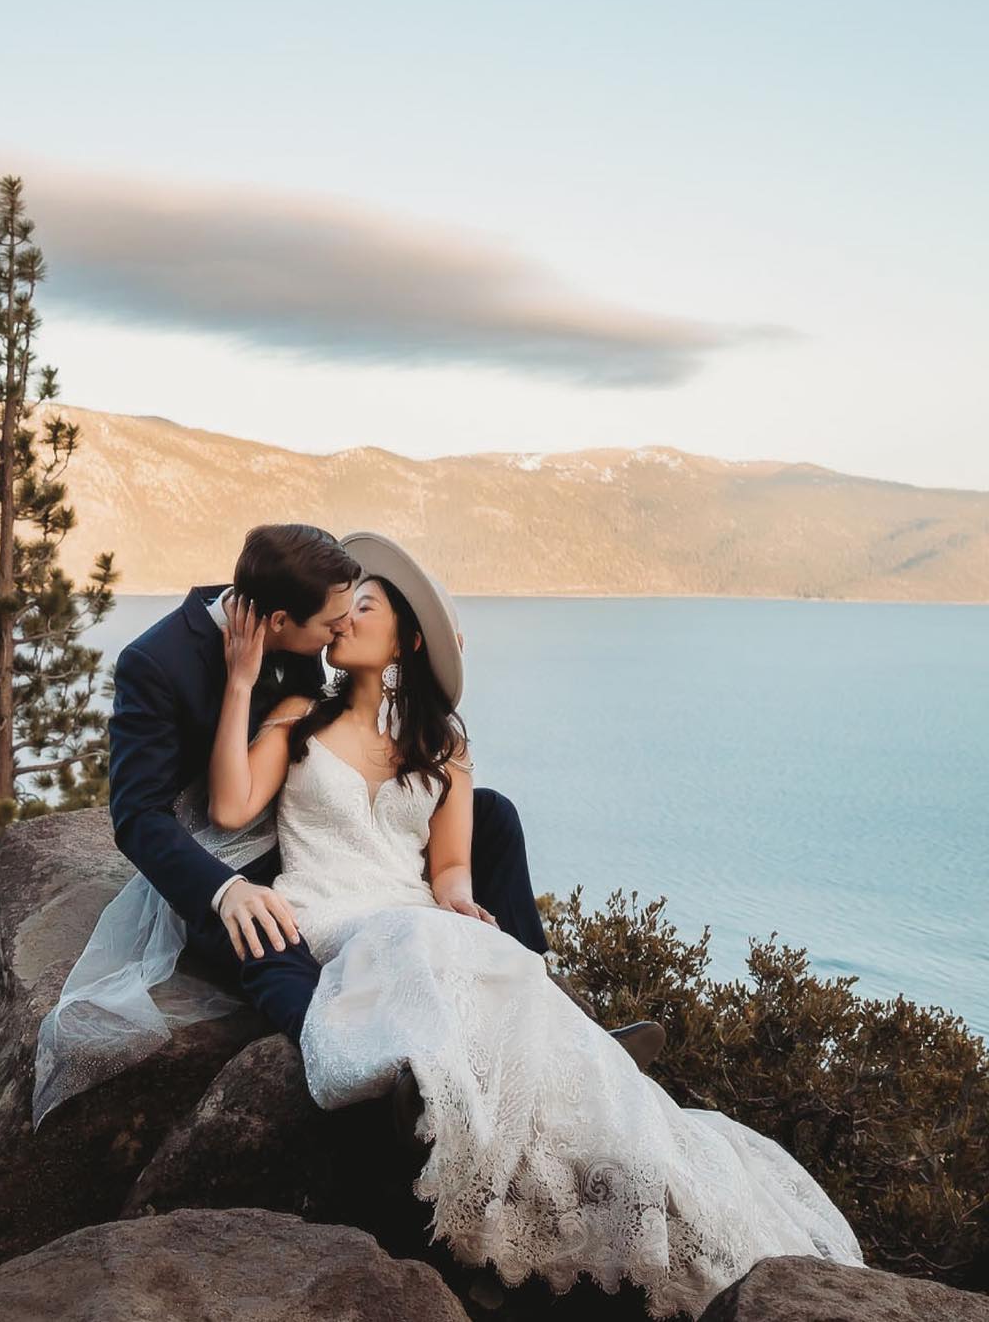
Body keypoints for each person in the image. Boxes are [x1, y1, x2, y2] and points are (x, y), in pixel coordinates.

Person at [207, 532, 865, 1319]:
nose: (346, 615)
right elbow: (229, 806)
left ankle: (570, 1091)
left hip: (410, 910)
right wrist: (243, 680)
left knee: (486, 961)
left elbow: (449, 866)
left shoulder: (442, 744)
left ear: (406, 641)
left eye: (367, 605)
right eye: (346, 605)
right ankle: (473, 1098)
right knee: (421, 952)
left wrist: (462, 900)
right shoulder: (298, 717)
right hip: (331, 911)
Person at [31, 521, 658, 1129]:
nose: (341, 628)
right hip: (236, 860)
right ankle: (363, 1059)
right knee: (271, 929)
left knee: (489, 817)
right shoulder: (159, 663)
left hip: (347, 847)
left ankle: (561, 1024)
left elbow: (380, 692)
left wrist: (432, 659)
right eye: (335, 620)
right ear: (281, 623)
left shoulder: (314, 632)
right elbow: (140, 817)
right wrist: (226, 888)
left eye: (356, 613)